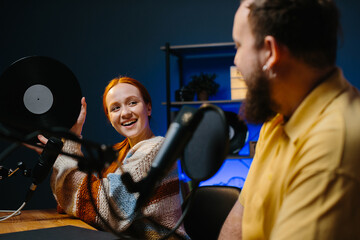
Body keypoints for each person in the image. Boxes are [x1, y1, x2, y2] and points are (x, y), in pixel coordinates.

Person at [219, 0, 360, 239]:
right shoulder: (278, 117)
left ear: (270, 52)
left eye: (239, 45)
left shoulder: (333, 148)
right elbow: (243, 216)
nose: (236, 62)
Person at [34, 77, 188, 239]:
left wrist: (62, 156)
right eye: (115, 108)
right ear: (110, 118)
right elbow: (78, 201)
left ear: (148, 108)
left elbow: (105, 207)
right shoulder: (119, 155)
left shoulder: (157, 148)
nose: (125, 113)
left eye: (133, 103)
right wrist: (73, 136)